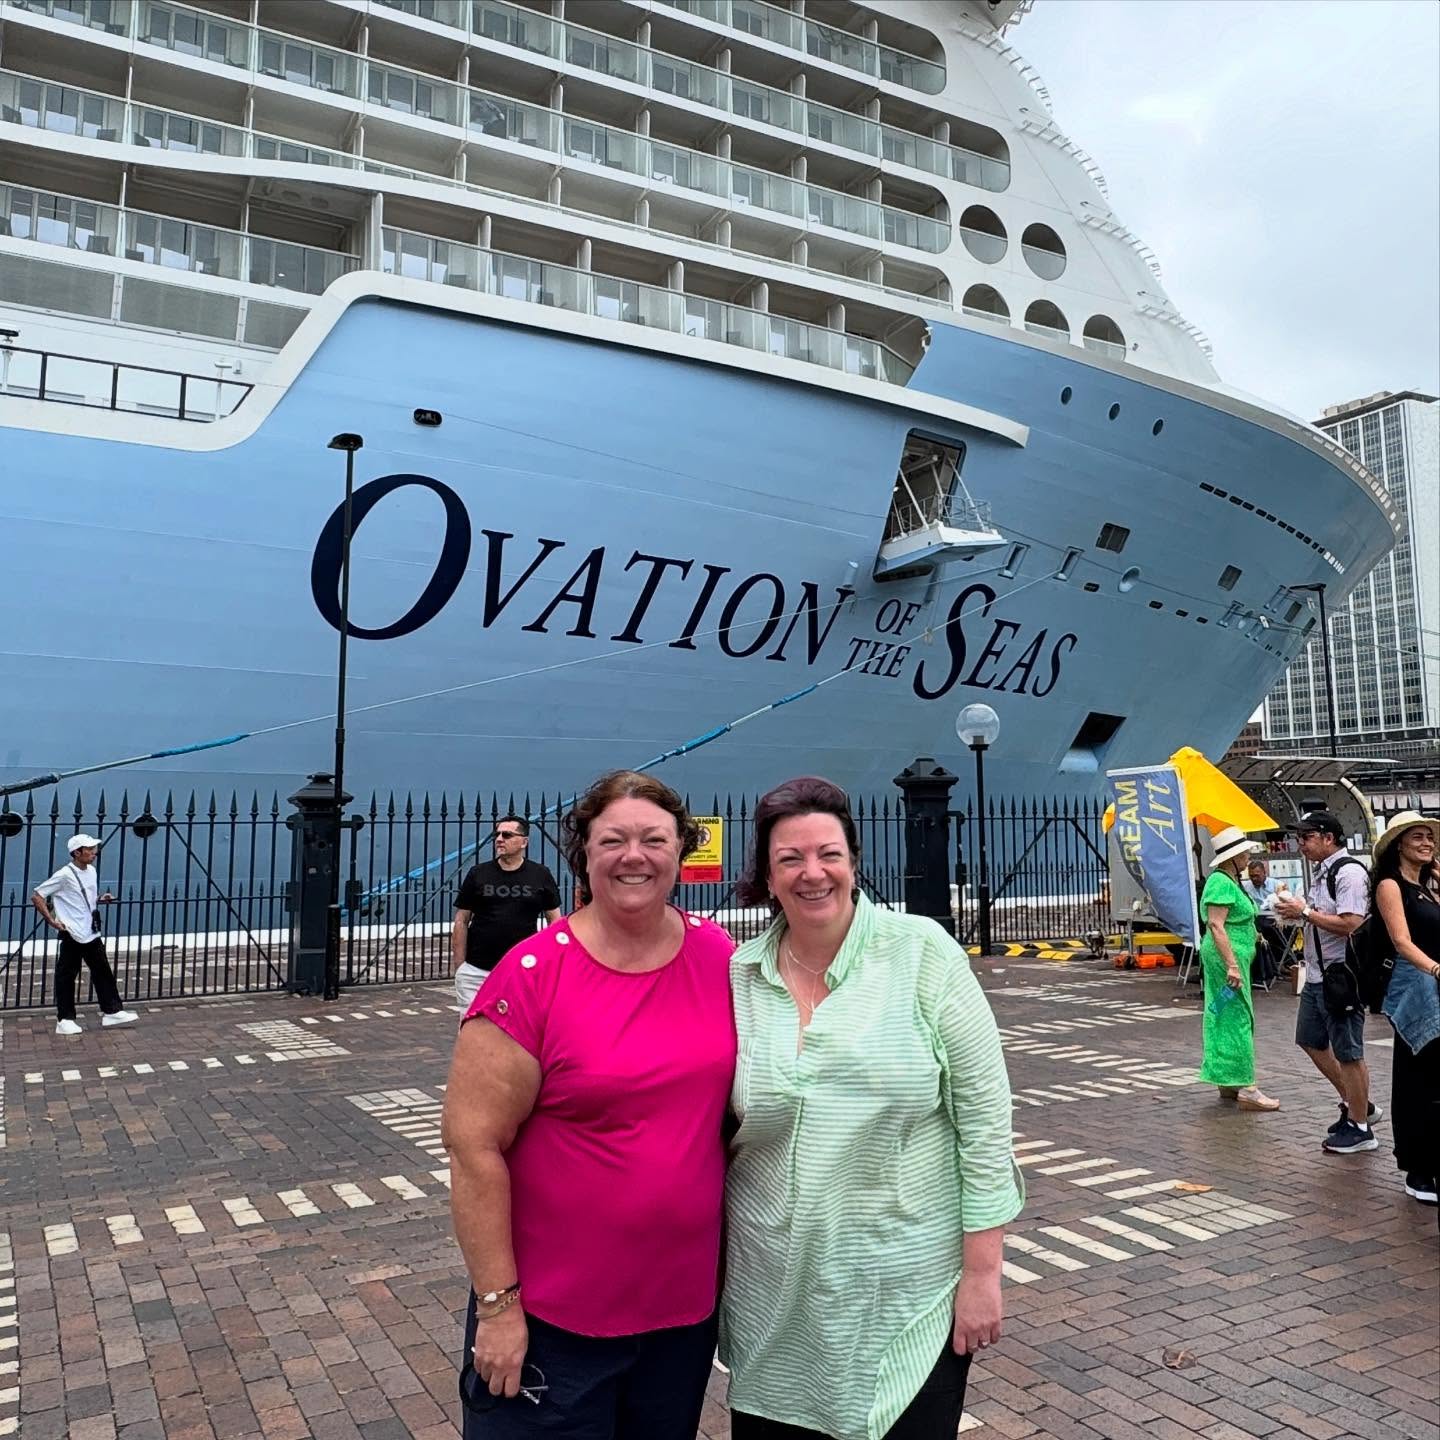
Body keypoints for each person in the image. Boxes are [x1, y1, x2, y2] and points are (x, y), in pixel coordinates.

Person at [721, 776, 1022, 1440]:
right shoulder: (739, 977)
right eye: (789, 859)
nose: (812, 873)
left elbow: (984, 1123)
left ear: (854, 862)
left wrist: (982, 1275)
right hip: (774, 1297)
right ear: (767, 878)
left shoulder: (923, 955)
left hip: (906, 1293)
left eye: (827, 853)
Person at [440, 771, 735, 1437]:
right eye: (614, 840)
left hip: (679, 1317)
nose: (635, 856)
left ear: (680, 851)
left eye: (654, 839)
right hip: (553, 1322)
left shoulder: (718, 957)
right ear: (584, 854)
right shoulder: (534, 974)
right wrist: (496, 1308)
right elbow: (472, 1145)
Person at [1274, 810, 1379, 1153]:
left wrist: (1304, 913)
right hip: (1317, 974)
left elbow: (1351, 923)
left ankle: (1361, 1128)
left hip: (1341, 975)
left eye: (1305, 837)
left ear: (1327, 838)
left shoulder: (1348, 872)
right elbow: (1322, 915)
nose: (1300, 844)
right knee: (1310, 1039)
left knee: (1348, 1051)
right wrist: (1299, 910)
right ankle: (1357, 1105)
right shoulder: (1323, 872)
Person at [1370, 812, 1440, 1207]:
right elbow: (1401, 941)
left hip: (1436, 990)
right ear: (1399, 843)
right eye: (1418, 837)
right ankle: (1417, 1169)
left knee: (1434, 1080)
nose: (1427, 843)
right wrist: (1434, 968)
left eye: (1430, 837)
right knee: (1417, 1079)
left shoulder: (1427, 887)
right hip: (1416, 992)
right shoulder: (1390, 886)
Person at [1195, 827, 1279, 1111]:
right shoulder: (1221, 882)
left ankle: (1228, 1080)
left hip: (1231, 957)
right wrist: (1232, 965)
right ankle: (1247, 1085)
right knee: (1237, 1015)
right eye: (1244, 853)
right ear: (1233, 856)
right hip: (1226, 961)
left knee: (1222, 1012)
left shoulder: (1228, 880)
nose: (1248, 857)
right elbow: (1216, 925)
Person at [451, 816, 561, 1011]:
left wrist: (551, 966)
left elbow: (555, 921)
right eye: (497, 834)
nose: (499, 839)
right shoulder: (478, 873)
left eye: (507, 835)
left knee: (516, 1034)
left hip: (522, 971)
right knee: (473, 1035)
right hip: (477, 971)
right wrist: (461, 967)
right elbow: (461, 919)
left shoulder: (540, 874)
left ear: (524, 842)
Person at [31, 834, 138, 1036]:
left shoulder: (91, 871)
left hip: (90, 930)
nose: (94, 852)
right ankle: (65, 1020)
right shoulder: (64, 874)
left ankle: (112, 1012)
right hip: (71, 932)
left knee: (103, 971)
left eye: (94, 848)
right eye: (89, 849)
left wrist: (99, 899)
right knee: (67, 975)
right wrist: (51, 920)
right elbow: (37, 895)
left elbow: (82, 898)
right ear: (76, 852)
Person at [1242, 857, 1290, 984]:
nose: (1254, 879)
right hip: (1255, 919)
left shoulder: (1276, 884)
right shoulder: (1245, 886)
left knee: (1280, 929)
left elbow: (1285, 903)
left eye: (1257, 876)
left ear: (1264, 873)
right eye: (1251, 876)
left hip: (1272, 918)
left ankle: (1281, 963)